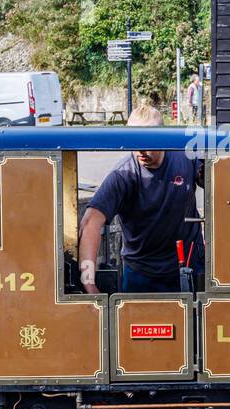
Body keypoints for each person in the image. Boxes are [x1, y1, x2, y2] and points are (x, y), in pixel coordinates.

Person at [78, 105, 204, 293]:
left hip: (191, 265)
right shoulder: (123, 175)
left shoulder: (186, 157)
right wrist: (89, 284)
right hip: (141, 276)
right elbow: (90, 223)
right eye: (134, 141)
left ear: (163, 138)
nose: (141, 150)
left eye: (148, 141)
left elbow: (215, 181)